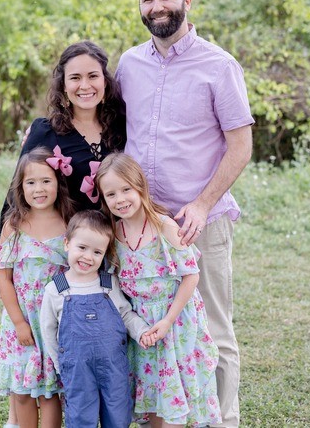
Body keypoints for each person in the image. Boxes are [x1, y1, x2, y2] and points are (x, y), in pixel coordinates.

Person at [115, 0, 254, 427]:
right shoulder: (129, 64)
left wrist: (202, 203)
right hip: (143, 225)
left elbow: (241, 146)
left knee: (213, 328)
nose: (157, 7)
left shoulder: (219, 65)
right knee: (151, 323)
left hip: (200, 222)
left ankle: (223, 420)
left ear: (187, 1)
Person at [95, 152, 221, 427]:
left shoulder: (164, 226)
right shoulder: (113, 236)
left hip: (175, 322)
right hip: (142, 328)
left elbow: (191, 276)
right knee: (151, 392)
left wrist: (167, 320)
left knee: (175, 397)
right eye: (111, 194)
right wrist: (138, 327)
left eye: (126, 189)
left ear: (140, 186)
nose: (120, 199)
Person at [0, 40, 126, 252]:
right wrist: (3, 254)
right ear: (63, 84)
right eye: (75, 78)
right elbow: (17, 196)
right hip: (68, 252)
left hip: (119, 247)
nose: (85, 85)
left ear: (105, 81)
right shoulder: (45, 132)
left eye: (93, 76)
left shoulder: (123, 128)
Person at [40, 210, 155, 428]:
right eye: (82, 248)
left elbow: (125, 314)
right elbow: (48, 330)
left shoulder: (108, 283)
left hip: (113, 366)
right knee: (81, 415)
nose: (88, 257)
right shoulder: (56, 289)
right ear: (67, 243)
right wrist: (60, 364)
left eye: (97, 252)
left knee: (117, 413)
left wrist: (141, 331)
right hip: (77, 369)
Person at [0, 146, 75, 428]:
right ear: (21, 187)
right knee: (23, 391)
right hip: (22, 319)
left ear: (58, 183)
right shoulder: (14, 225)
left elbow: (75, 273)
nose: (39, 189)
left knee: (50, 391)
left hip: (55, 319)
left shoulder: (68, 223)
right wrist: (18, 322)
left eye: (46, 181)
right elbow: (4, 277)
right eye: (31, 182)